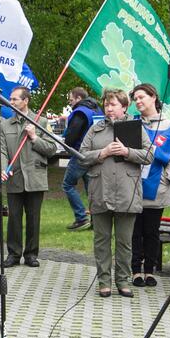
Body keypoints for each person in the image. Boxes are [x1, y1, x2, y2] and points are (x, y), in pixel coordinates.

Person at [79, 88, 153, 297]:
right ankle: (104, 281)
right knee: (101, 239)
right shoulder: (95, 130)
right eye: (106, 104)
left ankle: (123, 280)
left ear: (124, 107)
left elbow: (149, 155)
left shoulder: (136, 128)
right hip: (100, 190)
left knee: (124, 241)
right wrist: (101, 153)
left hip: (126, 192)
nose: (108, 108)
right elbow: (81, 156)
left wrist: (127, 152)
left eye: (113, 105)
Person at [128, 84, 170, 288]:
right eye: (135, 98)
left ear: (153, 97)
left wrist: (167, 178)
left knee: (152, 231)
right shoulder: (132, 124)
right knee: (134, 231)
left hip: (157, 187)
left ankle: (149, 271)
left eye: (141, 97)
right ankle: (135, 270)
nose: (138, 101)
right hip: (134, 186)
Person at [0, 86, 58, 268]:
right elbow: (2, 150)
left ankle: (31, 254)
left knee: (34, 218)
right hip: (14, 176)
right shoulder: (4, 124)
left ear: (25, 101)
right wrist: (3, 168)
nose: (12, 102)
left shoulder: (40, 121)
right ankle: (13, 254)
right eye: (11, 99)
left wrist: (34, 137)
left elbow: (51, 148)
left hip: (35, 177)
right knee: (14, 218)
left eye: (15, 99)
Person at [61, 87, 103, 231]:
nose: (70, 103)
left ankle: (81, 218)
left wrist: (67, 145)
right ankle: (96, 219)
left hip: (80, 153)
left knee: (67, 185)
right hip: (95, 153)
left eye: (71, 100)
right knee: (91, 188)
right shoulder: (97, 110)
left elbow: (73, 134)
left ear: (78, 98)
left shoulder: (80, 112)